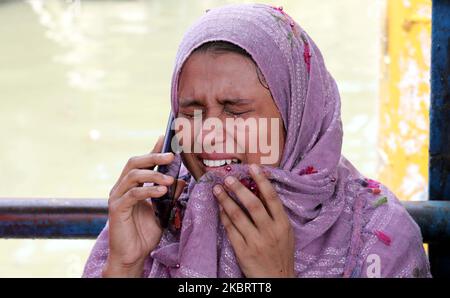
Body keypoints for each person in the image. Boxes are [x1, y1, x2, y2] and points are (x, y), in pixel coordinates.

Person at [82, 3, 431, 278]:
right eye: (191, 111)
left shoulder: (375, 235)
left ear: (297, 117)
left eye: (234, 110)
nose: (207, 135)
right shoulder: (154, 212)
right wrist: (125, 266)